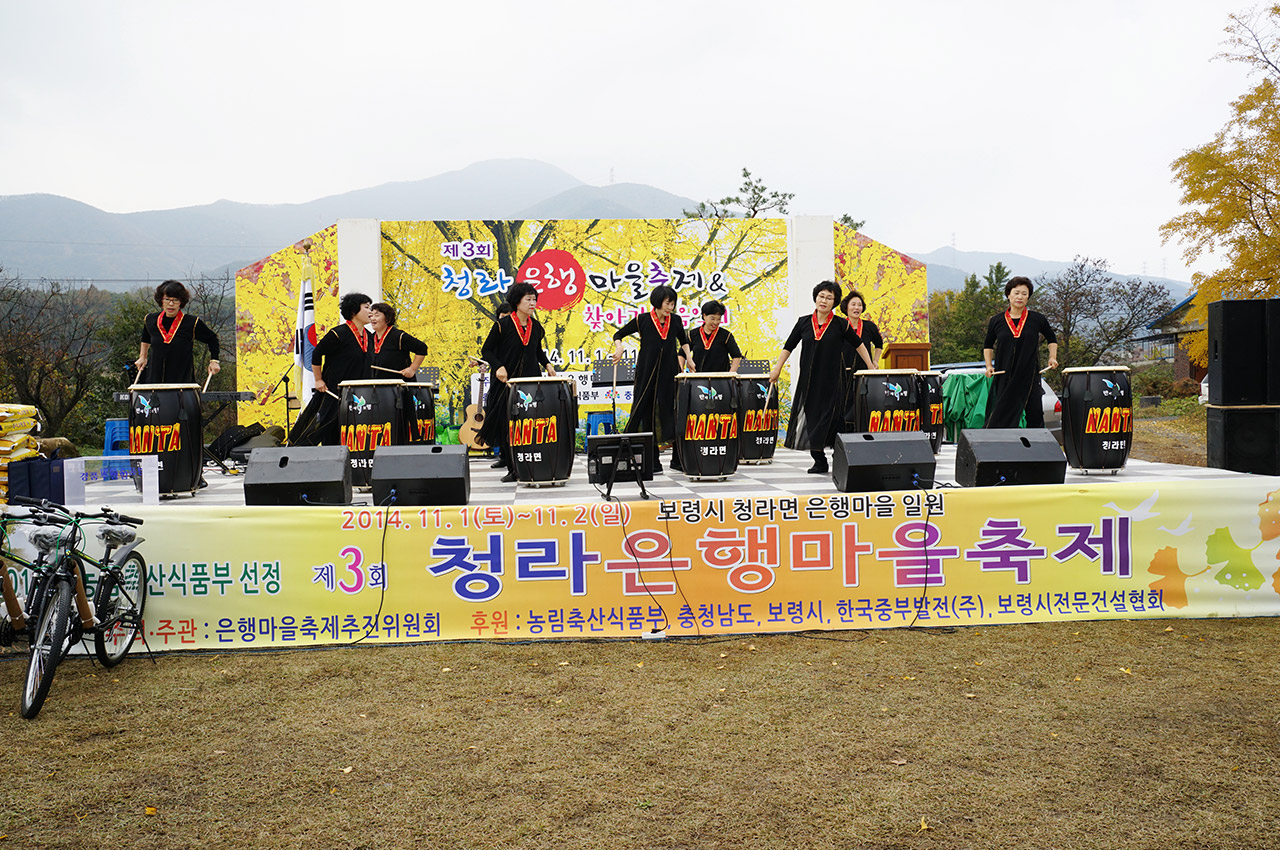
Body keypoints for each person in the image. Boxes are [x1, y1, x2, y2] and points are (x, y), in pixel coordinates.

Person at [769, 281, 875, 474]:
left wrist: (870, 365)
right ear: (815, 297)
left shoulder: (840, 324)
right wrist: (777, 368)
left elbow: (859, 344)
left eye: (829, 298)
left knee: (833, 418)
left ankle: (839, 455)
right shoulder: (803, 322)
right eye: (821, 296)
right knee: (812, 418)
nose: (824, 301)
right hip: (809, 382)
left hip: (834, 381)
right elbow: (788, 346)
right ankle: (819, 460)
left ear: (834, 302)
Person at [479, 282, 556, 483]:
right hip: (506, 383)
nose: (533, 303)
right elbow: (486, 350)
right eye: (528, 299)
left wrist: (547, 364)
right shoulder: (501, 325)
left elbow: (537, 351)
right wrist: (498, 366)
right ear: (517, 301)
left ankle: (530, 465)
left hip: (530, 383)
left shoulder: (536, 326)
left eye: (534, 299)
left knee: (528, 424)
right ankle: (513, 468)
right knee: (508, 426)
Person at [612, 285, 693, 473]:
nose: (670, 308)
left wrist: (689, 358)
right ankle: (651, 461)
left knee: (672, 412)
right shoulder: (642, 320)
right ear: (657, 302)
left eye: (673, 304)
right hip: (647, 373)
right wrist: (619, 347)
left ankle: (677, 460)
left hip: (670, 372)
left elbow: (684, 341)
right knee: (645, 412)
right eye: (667, 303)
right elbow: (619, 334)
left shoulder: (676, 321)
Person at [290, 292, 374, 446]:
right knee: (327, 428)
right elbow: (316, 354)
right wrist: (318, 379)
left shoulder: (369, 336)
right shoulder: (338, 333)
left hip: (360, 393)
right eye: (367, 307)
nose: (371, 312)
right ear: (354, 311)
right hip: (335, 391)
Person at [983, 276, 1058, 428]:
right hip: (1004, 374)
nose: (1020, 297)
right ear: (1008, 295)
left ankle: (1035, 448)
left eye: (1024, 293)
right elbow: (988, 345)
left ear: (1028, 297)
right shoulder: (996, 320)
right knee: (1000, 412)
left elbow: (1051, 338)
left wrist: (1052, 357)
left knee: (1035, 412)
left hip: (1029, 374)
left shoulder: (1037, 319)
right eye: (1016, 293)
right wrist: (989, 366)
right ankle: (1000, 445)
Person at [135, 280, 222, 384]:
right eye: (167, 299)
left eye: (175, 300)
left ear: (181, 302)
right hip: (154, 379)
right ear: (161, 300)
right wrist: (142, 357)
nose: (171, 304)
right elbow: (146, 337)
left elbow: (212, 339)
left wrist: (214, 361)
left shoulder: (192, 322)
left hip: (182, 381)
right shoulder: (150, 319)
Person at [839, 290, 883, 429]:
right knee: (843, 404)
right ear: (846, 307)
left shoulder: (869, 326)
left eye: (859, 305)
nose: (856, 308)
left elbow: (879, 344)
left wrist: (875, 361)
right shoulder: (839, 325)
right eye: (853, 304)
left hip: (864, 372)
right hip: (843, 372)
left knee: (862, 402)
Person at [368, 302, 428, 380]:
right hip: (377, 386)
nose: (373, 318)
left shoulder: (399, 336)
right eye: (371, 315)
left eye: (377, 315)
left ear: (387, 318)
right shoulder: (370, 338)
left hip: (399, 386)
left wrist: (412, 369)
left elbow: (422, 348)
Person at [688, 300, 743, 373]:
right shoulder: (692, 334)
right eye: (712, 318)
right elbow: (682, 354)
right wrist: (682, 371)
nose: (715, 322)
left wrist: (730, 375)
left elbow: (736, 356)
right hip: (698, 378)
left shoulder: (726, 335)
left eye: (719, 319)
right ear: (704, 316)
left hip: (721, 379)